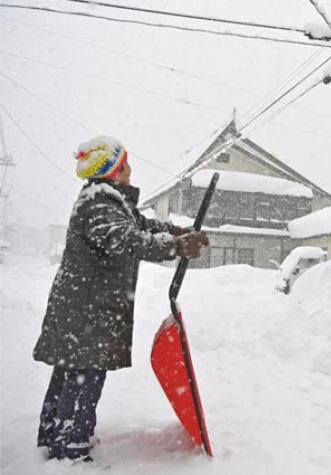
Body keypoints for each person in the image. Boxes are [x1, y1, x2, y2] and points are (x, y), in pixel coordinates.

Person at [33, 136, 210, 463]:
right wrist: (176, 247)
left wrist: (175, 232)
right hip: (87, 309)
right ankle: (69, 450)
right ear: (112, 171)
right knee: (83, 375)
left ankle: (54, 435)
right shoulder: (99, 203)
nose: (130, 170)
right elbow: (126, 240)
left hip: (86, 305)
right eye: (124, 165)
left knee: (73, 371)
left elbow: (142, 225)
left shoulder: (111, 201)